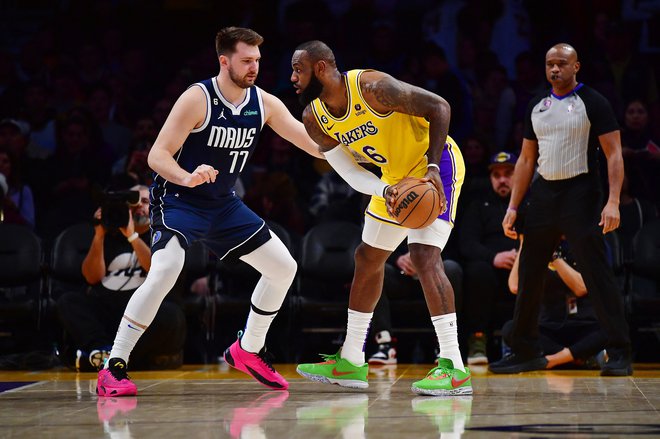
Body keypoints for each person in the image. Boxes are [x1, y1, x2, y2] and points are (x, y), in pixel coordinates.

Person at [96, 27, 323, 397]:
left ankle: (247, 349)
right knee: (167, 269)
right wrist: (187, 177)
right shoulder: (197, 98)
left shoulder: (264, 103)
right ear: (224, 60)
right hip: (180, 200)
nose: (254, 68)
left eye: (258, 61)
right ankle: (113, 367)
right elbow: (157, 156)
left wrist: (358, 146)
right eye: (247, 61)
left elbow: (311, 144)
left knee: (284, 268)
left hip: (223, 205)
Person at [291, 40, 470, 396]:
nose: (293, 78)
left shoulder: (373, 88)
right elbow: (347, 171)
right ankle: (351, 360)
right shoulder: (314, 117)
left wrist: (433, 168)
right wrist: (383, 190)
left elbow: (440, 107)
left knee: (423, 256)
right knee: (367, 257)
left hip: (434, 169)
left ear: (322, 69)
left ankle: (454, 365)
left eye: (299, 70)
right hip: (393, 181)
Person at [489, 43, 633, 376]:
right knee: (530, 272)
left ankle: (620, 350)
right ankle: (525, 351)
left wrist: (612, 202)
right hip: (544, 193)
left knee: (596, 273)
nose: (555, 69)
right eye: (550, 64)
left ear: (576, 66)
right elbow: (525, 159)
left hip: (581, 191)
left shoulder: (594, 103)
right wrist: (513, 207)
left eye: (562, 64)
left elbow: (614, 155)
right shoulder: (536, 106)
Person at [56, 185, 185, 371]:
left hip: (143, 313)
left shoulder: (163, 234)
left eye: (146, 202)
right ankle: (101, 350)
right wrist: (99, 235)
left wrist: (132, 236)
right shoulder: (109, 234)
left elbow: (156, 269)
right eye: (134, 204)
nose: (140, 207)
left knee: (171, 314)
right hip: (109, 309)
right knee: (68, 301)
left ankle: (106, 360)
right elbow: (92, 278)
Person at [502, 236, 608, 370]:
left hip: (584, 325)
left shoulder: (585, 242)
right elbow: (515, 286)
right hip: (550, 327)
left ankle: (553, 360)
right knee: (511, 328)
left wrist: (553, 256)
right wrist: (525, 242)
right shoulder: (536, 247)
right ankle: (579, 358)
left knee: (609, 328)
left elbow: (581, 287)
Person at [458, 151, 519, 365]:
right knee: (477, 271)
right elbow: (466, 243)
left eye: (508, 173)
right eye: (496, 175)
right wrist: (494, 257)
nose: (502, 179)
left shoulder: (529, 202)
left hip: (522, 266)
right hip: (490, 270)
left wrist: (521, 257)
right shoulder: (478, 205)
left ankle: (529, 341)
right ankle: (477, 341)